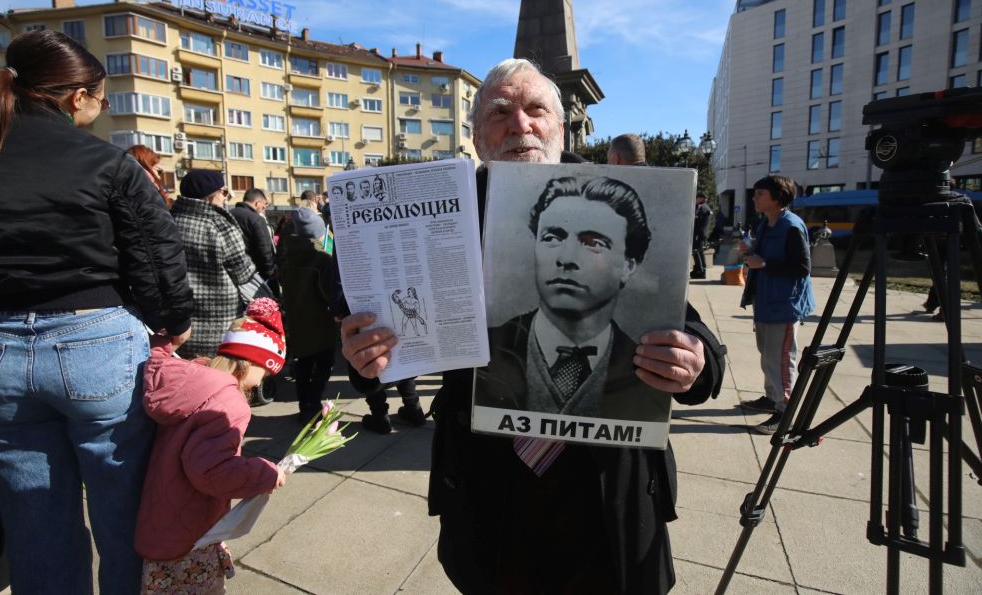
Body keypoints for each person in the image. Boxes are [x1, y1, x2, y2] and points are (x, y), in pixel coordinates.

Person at [339, 58, 724, 594]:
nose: (520, 125)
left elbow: (692, 329)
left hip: (607, 492)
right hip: (489, 490)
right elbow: (374, 331)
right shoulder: (432, 213)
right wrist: (365, 357)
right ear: (476, 136)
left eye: (536, 109)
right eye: (499, 113)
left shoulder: (616, 198)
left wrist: (697, 360)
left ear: (560, 128)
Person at [0, 29, 193, 593]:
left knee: (33, 517)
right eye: (102, 100)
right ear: (78, 97)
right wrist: (173, 321)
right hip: (93, 340)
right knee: (125, 509)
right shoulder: (104, 161)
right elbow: (155, 250)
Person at [476, 175, 668, 422]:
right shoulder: (485, 349)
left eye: (593, 243)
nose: (566, 258)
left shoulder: (646, 362)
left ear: (628, 265)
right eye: (552, 238)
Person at [136, 299, 287, 594]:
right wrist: (264, 474)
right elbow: (212, 471)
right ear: (253, 362)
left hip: (160, 524)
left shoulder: (189, 380)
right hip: (191, 537)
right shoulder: (229, 403)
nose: (260, 384)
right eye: (266, 374)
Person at [738, 175, 815, 435]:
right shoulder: (767, 224)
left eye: (760, 194)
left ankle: (786, 414)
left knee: (781, 359)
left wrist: (765, 264)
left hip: (784, 305)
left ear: (777, 197)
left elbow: (802, 267)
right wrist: (749, 250)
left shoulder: (791, 226)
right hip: (766, 301)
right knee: (767, 354)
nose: (754, 198)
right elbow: (763, 256)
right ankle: (771, 398)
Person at [171, 169, 256, 359]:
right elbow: (242, 272)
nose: (226, 198)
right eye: (224, 192)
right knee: (220, 377)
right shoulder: (218, 224)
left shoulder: (168, 220)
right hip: (219, 321)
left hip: (180, 323)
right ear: (210, 196)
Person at [277, 204, 337, 424]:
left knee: (302, 366)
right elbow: (327, 293)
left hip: (297, 321)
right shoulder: (321, 259)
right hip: (321, 324)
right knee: (323, 365)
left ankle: (304, 407)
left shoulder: (287, 255)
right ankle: (314, 404)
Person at [231, 188, 276, 286]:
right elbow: (264, 248)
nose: (264, 209)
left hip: (231, 271)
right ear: (257, 203)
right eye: (264, 206)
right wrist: (270, 273)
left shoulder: (228, 214)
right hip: (254, 273)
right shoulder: (256, 219)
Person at [690, 193, 713, 279]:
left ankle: (700, 270)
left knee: (696, 252)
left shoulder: (702, 208)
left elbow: (695, 220)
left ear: (701, 198)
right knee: (699, 252)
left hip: (699, 234)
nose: (695, 200)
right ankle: (701, 269)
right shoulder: (706, 207)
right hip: (702, 234)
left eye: (697, 198)